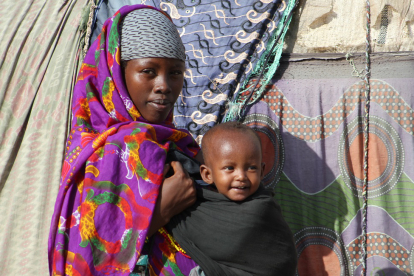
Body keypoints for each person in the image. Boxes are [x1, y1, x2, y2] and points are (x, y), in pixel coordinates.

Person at [48, 5, 202, 276]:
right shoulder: (107, 149)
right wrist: (160, 211)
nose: (164, 85)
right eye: (148, 71)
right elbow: (84, 261)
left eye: (175, 72)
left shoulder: (179, 143)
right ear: (116, 73)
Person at [167, 122, 298, 276]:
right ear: (207, 175)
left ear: (262, 171)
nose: (241, 176)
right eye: (230, 168)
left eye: (251, 168)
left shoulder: (262, 208)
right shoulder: (196, 205)